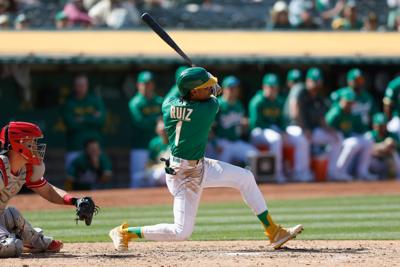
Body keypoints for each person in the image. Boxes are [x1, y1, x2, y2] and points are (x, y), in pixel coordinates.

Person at [109, 67, 303, 251]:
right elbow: (216, 92)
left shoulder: (167, 106)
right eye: (204, 87)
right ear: (193, 92)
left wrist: (197, 77)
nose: (209, 88)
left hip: (200, 165)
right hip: (183, 176)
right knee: (181, 232)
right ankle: (124, 233)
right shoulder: (208, 108)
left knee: (245, 177)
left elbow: (178, 92)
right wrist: (206, 77)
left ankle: (273, 231)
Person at [0, 121, 96, 257]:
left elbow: (49, 191)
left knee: (13, 215)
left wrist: (75, 201)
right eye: (32, 142)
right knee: (11, 247)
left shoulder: (25, 169)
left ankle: (31, 242)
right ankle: (13, 241)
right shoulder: (1, 166)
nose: (36, 146)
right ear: (18, 144)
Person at [249, 73, 312, 182]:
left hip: (274, 131)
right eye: (271, 87)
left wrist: (283, 130)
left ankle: (300, 172)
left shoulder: (278, 101)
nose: (273, 90)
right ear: (264, 87)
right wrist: (276, 130)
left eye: (275, 87)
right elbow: (255, 123)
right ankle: (277, 174)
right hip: (258, 132)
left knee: (300, 138)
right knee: (276, 138)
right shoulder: (257, 101)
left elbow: (281, 121)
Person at [292, 68, 344, 180]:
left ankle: (332, 171)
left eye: (317, 81)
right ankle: (301, 173)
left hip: (312, 130)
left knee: (338, 137)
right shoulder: (301, 92)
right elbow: (295, 114)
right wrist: (305, 129)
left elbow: (322, 119)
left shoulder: (319, 98)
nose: (315, 84)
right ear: (308, 81)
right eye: (313, 81)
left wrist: (330, 130)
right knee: (303, 140)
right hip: (295, 128)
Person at [325, 90, 376, 181]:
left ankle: (362, 172)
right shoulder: (335, 113)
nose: (350, 104)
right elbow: (326, 128)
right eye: (347, 102)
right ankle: (338, 172)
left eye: (351, 102)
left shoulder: (352, 113)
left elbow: (359, 129)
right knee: (351, 144)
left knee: (368, 141)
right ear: (342, 101)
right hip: (333, 144)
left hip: (346, 138)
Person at [62, 74, 106, 170]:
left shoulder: (95, 100)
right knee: (71, 180)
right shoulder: (69, 103)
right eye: (79, 85)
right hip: (75, 147)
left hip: (94, 149)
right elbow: (71, 124)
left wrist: (82, 119)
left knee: (96, 179)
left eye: (84, 85)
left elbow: (101, 120)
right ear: (74, 87)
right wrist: (92, 118)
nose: (81, 88)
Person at [128, 71, 163, 188]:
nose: (147, 86)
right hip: (140, 146)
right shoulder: (135, 103)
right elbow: (141, 122)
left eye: (149, 83)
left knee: (158, 177)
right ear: (139, 85)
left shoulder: (159, 101)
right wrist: (157, 119)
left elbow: (166, 119)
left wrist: (156, 120)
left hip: (158, 147)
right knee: (138, 179)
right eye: (144, 83)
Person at [215, 76, 257, 165]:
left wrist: (244, 124)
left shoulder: (238, 104)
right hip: (222, 142)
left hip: (236, 142)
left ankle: (251, 178)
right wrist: (215, 144)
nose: (233, 90)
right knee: (222, 166)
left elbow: (240, 126)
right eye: (231, 88)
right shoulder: (217, 104)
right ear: (224, 89)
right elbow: (208, 127)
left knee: (254, 155)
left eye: (236, 88)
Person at [366, 113, 400, 179]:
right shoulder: (369, 135)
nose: (381, 128)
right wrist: (382, 146)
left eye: (383, 125)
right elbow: (368, 150)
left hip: (386, 162)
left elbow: (395, 148)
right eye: (379, 125)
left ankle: (397, 177)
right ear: (374, 125)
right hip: (373, 163)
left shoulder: (392, 135)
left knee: (393, 154)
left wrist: (388, 147)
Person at [145, 118, 170, 186]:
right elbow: (149, 164)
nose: (163, 132)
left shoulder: (174, 142)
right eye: (161, 130)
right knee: (138, 177)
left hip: (171, 170)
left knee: (160, 174)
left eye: (164, 130)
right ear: (157, 130)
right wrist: (155, 167)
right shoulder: (154, 143)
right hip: (158, 169)